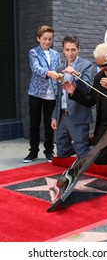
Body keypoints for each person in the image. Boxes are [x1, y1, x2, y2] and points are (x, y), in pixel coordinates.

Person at [51, 35, 94, 159]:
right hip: (62, 116)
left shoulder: (86, 65)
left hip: (78, 113)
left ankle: (88, 148)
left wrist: (76, 75)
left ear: (78, 49)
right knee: (62, 153)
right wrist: (54, 116)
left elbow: (87, 89)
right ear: (63, 50)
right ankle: (86, 146)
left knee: (82, 154)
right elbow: (58, 96)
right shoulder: (60, 68)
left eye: (73, 49)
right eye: (67, 50)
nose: (70, 53)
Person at [23, 25, 61, 163]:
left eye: (50, 39)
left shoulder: (56, 54)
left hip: (52, 93)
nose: (47, 42)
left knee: (49, 124)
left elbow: (59, 70)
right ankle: (33, 152)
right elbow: (36, 68)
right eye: (45, 39)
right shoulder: (33, 52)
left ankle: (49, 151)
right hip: (36, 93)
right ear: (38, 38)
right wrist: (48, 73)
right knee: (34, 123)